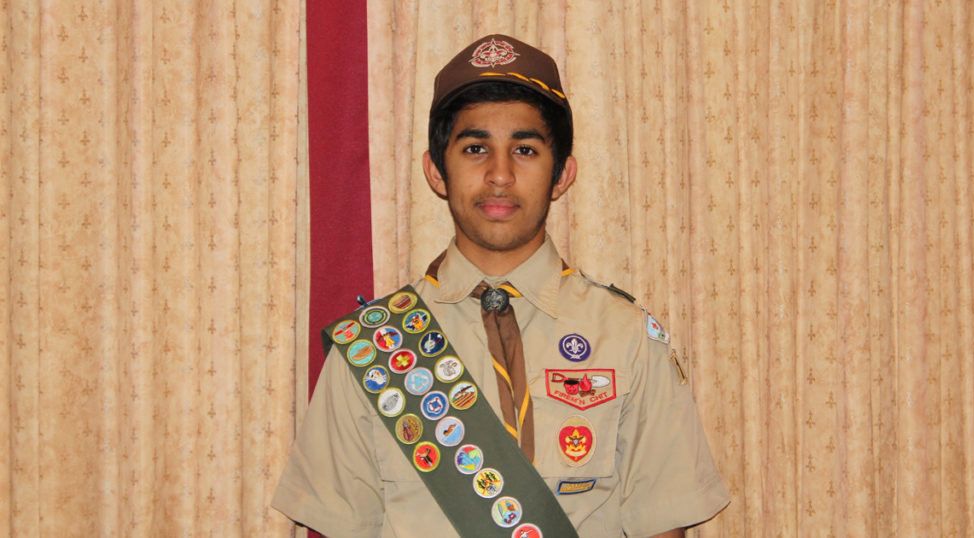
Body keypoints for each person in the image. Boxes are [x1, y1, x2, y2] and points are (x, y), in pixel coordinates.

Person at [273, 34, 729, 537]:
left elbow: (662, 525)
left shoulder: (626, 337)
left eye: (525, 150)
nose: (499, 174)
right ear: (436, 171)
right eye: (475, 148)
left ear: (562, 175)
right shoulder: (375, 348)